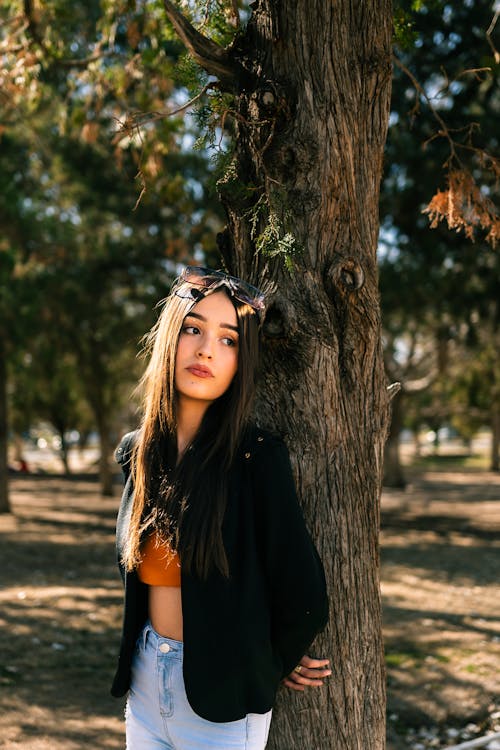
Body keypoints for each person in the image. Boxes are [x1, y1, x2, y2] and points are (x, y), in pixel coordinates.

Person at [112, 266, 330, 750]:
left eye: (228, 339)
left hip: (222, 707)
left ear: (240, 361)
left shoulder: (255, 458)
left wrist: (267, 663)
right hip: (146, 690)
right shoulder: (138, 452)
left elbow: (306, 596)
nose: (207, 349)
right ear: (171, 337)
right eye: (193, 329)